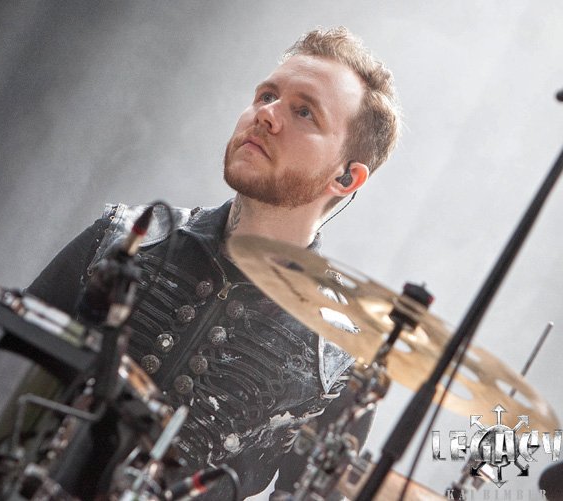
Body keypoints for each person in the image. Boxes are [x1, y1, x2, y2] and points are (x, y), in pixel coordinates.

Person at [26, 26, 401, 499]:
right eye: (267, 95)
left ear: (346, 178)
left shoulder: (340, 355)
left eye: (304, 111)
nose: (266, 115)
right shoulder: (121, 238)